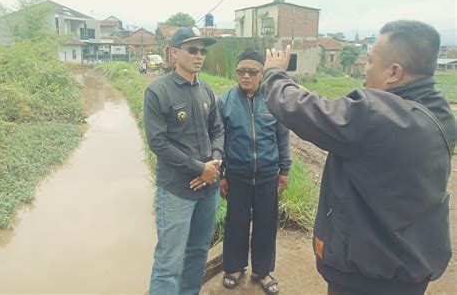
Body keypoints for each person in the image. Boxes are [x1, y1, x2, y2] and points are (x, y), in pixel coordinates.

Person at [260, 20, 456, 295]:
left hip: (366, 275)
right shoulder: (438, 113)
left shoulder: (375, 115)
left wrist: (273, 76)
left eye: (370, 62)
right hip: (409, 268)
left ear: (394, 72)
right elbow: (334, 115)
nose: (365, 70)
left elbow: (302, 111)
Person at [144, 26, 224, 295]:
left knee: (198, 251)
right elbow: (158, 142)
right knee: (169, 261)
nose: (199, 55)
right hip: (177, 190)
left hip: (209, 187)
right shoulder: (158, 91)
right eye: (192, 50)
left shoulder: (206, 89)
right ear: (175, 53)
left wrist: (214, 161)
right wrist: (199, 168)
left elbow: (218, 130)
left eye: (203, 50)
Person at [218, 47, 292, 294]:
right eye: (241, 71)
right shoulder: (225, 101)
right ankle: (235, 267)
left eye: (252, 71)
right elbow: (220, 139)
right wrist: (221, 175)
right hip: (237, 175)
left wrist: (285, 169)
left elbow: (283, 137)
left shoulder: (273, 100)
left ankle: (262, 271)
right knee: (236, 223)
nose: (246, 76)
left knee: (265, 224)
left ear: (262, 73)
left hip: (268, 174)